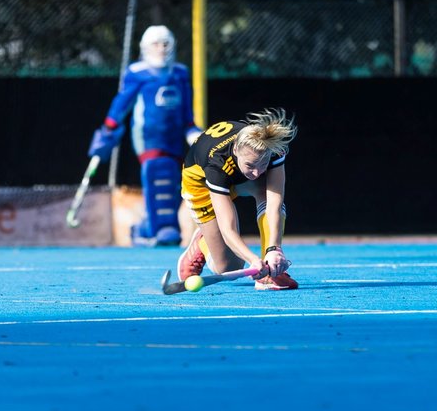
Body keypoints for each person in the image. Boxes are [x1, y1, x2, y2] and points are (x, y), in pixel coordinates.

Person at [87, 25, 201, 247]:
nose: (161, 49)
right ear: (145, 48)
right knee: (157, 174)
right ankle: (161, 229)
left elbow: (186, 107)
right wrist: (109, 127)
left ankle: (149, 227)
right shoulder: (137, 72)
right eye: (155, 44)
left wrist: (191, 129)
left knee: (174, 181)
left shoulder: (180, 73)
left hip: (174, 137)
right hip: (148, 137)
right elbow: (123, 102)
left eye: (165, 44)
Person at [176, 108, 298, 290]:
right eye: (250, 164)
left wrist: (274, 249)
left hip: (237, 177)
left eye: (263, 164)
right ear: (236, 150)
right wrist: (253, 260)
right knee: (228, 266)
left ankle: (270, 275)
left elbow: (274, 205)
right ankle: (202, 243)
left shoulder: (273, 150)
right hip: (200, 184)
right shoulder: (216, 165)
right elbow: (228, 229)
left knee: (265, 189)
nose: (257, 172)